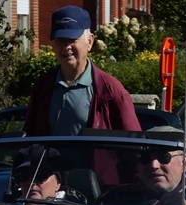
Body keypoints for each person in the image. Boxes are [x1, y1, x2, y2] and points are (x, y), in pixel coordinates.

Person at [22, 5, 141, 137]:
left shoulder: (110, 92)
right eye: (60, 41)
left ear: (89, 41)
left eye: (72, 40)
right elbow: (28, 138)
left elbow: (134, 142)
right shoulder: (43, 86)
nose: (66, 47)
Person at [136, 127, 186, 205]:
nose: (154, 165)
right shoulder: (124, 196)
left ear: (184, 162)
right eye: (145, 158)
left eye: (164, 157)